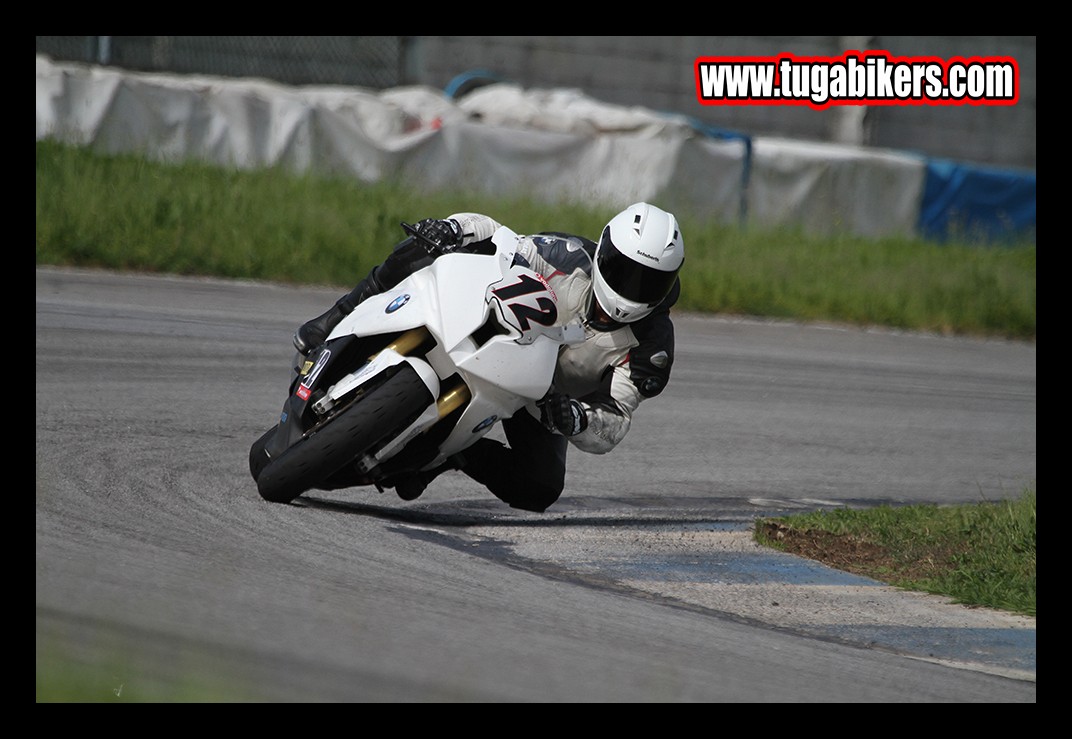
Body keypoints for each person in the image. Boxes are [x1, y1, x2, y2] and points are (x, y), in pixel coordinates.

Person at [293, 202, 685, 512]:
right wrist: (453, 228)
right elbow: (500, 238)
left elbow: (615, 420)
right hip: (493, 328)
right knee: (426, 245)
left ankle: (452, 454)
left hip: (542, 401)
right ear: (604, 250)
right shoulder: (566, 256)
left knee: (540, 488)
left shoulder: (651, 349)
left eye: (649, 281)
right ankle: (337, 317)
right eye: (623, 269)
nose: (631, 287)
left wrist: (577, 418)